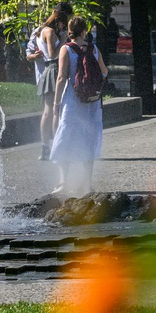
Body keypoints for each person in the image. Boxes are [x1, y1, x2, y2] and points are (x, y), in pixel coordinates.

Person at [50, 16, 107, 196]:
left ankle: (63, 182)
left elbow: (61, 78)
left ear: (69, 30)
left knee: (65, 137)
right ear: (84, 31)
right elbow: (104, 72)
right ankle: (87, 185)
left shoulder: (66, 49)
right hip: (91, 102)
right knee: (88, 140)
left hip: (73, 100)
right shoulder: (94, 48)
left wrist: (56, 103)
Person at [26, 2, 72, 160]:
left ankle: (46, 147)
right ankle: (57, 147)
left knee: (47, 112)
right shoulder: (51, 32)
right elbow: (52, 54)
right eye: (63, 24)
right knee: (54, 111)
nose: (63, 27)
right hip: (53, 68)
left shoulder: (40, 31)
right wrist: (65, 40)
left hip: (47, 70)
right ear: (59, 21)